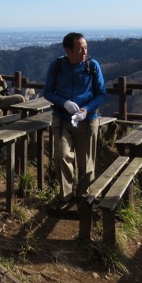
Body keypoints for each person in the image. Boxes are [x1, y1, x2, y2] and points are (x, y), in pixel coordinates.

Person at [43, 32, 107, 214]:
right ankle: (66, 197)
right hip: (62, 119)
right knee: (61, 156)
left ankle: (84, 196)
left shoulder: (92, 66)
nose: (84, 52)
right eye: (80, 49)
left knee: (87, 163)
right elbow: (48, 91)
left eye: (86, 47)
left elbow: (101, 93)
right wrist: (64, 102)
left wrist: (86, 109)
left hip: (87, 120)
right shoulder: (57, 65)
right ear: (68, 50)